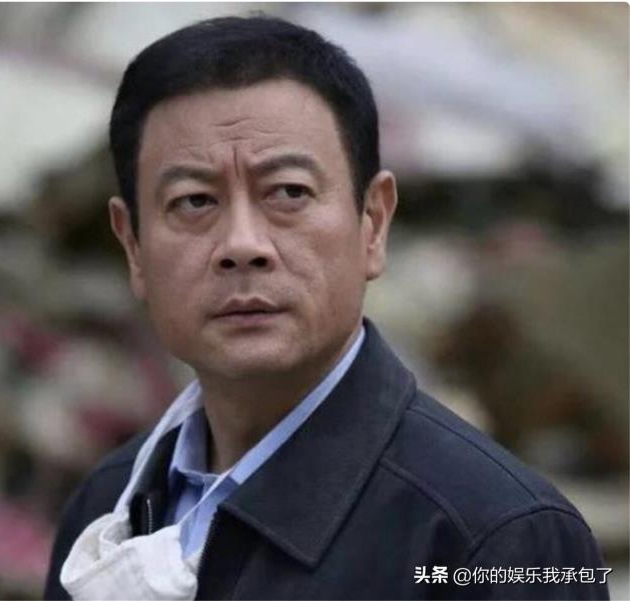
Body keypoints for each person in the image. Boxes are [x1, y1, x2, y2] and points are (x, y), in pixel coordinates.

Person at [44, 15, 609, 600]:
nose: (243, 245)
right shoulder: (104, 515)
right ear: (132, 246)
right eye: (193, 201)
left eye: (289, 192)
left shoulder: (500, 537)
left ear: (374, 223)